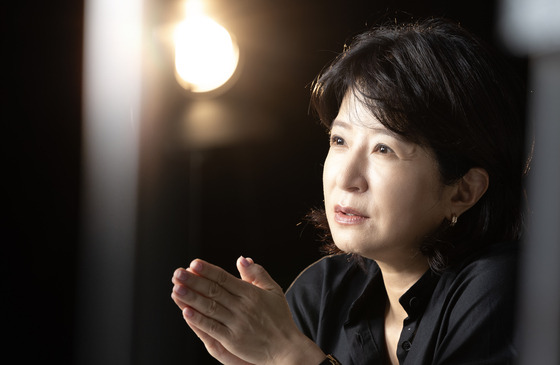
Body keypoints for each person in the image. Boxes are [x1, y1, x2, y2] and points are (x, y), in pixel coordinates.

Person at [171, 18, 528, 364]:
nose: (346, 178)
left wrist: (290, 355)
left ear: (463, 191)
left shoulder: (502, 291)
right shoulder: (323, 292)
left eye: (383, 149)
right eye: (339, 140)